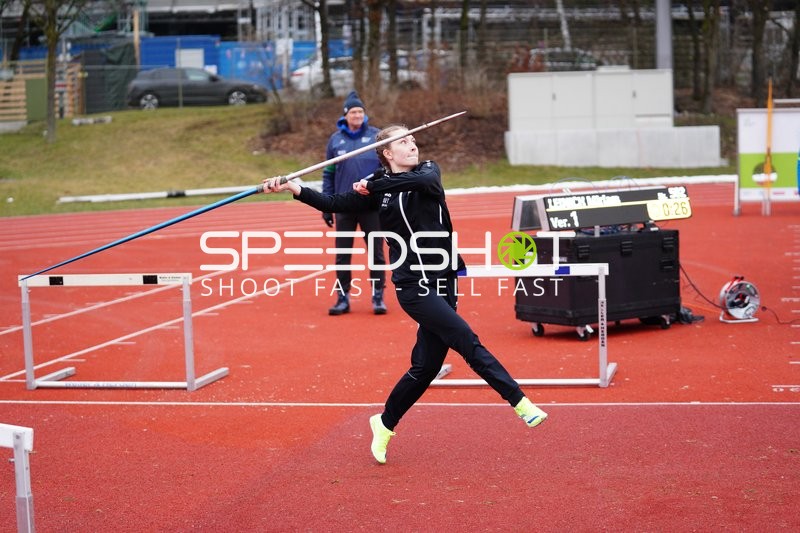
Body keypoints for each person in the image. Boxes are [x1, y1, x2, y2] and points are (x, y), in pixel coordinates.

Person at [262, 124, 548, 464]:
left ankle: (384, 423)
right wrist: (294, 187)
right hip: (413, 286)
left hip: (444, 279)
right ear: (387, 153)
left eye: (413, 140)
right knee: (464, 338)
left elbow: (413, 182)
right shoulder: (378, 189)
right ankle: (519, 402)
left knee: (425, 367)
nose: (413, 145)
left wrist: (372, 184)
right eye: (404, 142)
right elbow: (334, 202)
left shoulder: (428, 173)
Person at [322, 90, 387, 316]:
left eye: (360, 111)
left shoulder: (377, 136)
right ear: (346, 115)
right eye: (353, 112)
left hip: (371, 206)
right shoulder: (335, 140)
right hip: (344, 206)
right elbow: (328, 174)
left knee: (376, 253)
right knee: (342, 254)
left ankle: (378, 296)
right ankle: (343, 298)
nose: (357, 115)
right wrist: (327, 205)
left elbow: (387, 169)